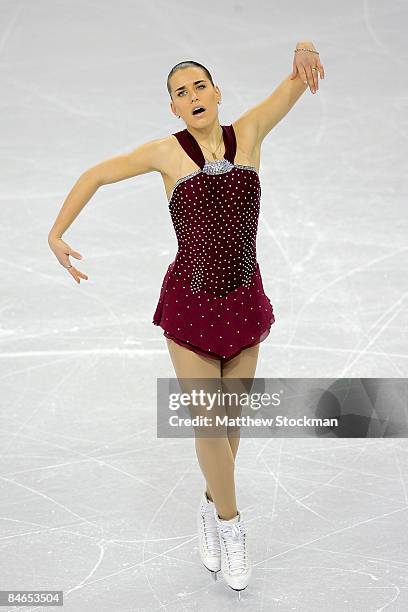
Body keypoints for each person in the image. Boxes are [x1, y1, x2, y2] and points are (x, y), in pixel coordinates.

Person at [48, 44, 324, 597]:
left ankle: (207, 506)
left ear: (217, 93)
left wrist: (304, 49)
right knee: (209, 422)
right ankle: (231, 524)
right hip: (192, 304)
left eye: (200, 85)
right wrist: (56, 233)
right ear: (172, 108)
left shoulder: (249, 133)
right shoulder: (164, 154)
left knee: (231, 427)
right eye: (180, 92)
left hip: (244, 301)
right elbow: (97, 174)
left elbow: (295, 82)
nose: (192, 96)